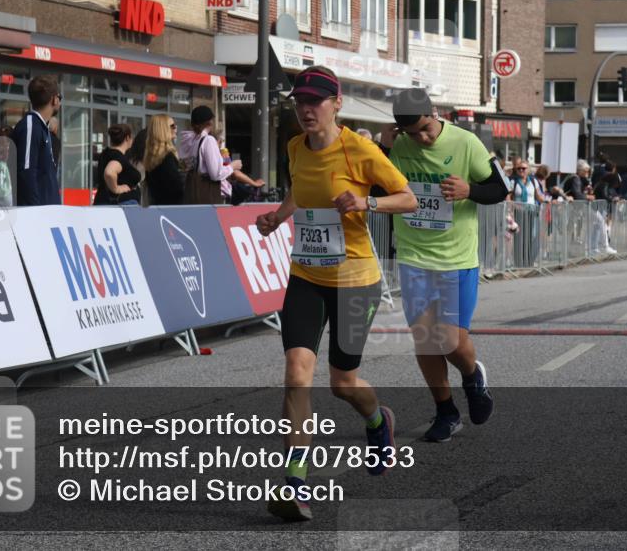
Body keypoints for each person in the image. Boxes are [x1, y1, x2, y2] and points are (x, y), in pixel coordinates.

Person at [254, 66, 416, 522]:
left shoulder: (360, 150)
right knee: (296, 371)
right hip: (306, 275)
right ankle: (294, 481)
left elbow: (407, 198)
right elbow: (299, 191)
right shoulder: (293, 147)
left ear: (336, 103)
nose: (307, 109)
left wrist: (368, 202)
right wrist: (278, 217)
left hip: (354, 280)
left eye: (316, 101)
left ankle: (377, 420)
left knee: (342, 383)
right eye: (301, 102)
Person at [388, 88, 508, 442]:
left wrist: (470, 190)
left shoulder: (466, 142)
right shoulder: (399, 145)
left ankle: (472, 376)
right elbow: (375, 179)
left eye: (425, 129)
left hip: (456, 259)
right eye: (412, 134)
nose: (421, 139)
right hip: (413, 256)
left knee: (451, 340)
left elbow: (500, 189)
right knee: (425, 341)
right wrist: (382, 146)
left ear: (435, 113)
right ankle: (446, 411)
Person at [12, 75, 61, 206]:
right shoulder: (31, 126)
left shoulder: (41, 127)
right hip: (38, 213)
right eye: (60, 98)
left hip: (47, 210)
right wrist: (36, 212)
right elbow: (26, 171)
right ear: (54, 99)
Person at [181, 106, 240, 204]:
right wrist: (233, 166)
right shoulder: (208, 140)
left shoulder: (192, 141)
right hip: (207, 194)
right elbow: (216, 174)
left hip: (193, 192)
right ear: (210, 122)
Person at [94, 123, 141, 206]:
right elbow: (109, 172)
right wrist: (116, 188)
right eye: (131, 137)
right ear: (127, 138)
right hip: (120, 205)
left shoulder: (106, 154)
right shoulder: (117, 156)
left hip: (103, 202)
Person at [143, 115, 184, 205]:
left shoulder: (152, 156)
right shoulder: (167, 157)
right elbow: (177, 187)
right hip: (172, 208)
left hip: (158, 207)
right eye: (172, 126)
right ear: (163, 130)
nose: (176, 128)